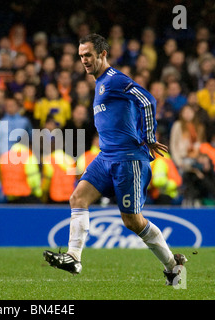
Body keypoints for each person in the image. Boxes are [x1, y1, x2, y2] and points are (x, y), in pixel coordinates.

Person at [43, 33, 186, 286]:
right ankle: (73, 257)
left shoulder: (115, 79)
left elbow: (147, 100)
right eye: (81, 56)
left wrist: (149, 136)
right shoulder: (99, 84)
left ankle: (173, 267)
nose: (84, 60)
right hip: (106, 156)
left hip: (128, 159)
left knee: (132, 221)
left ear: (102, 54)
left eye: (88, 55)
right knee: (77, 198)